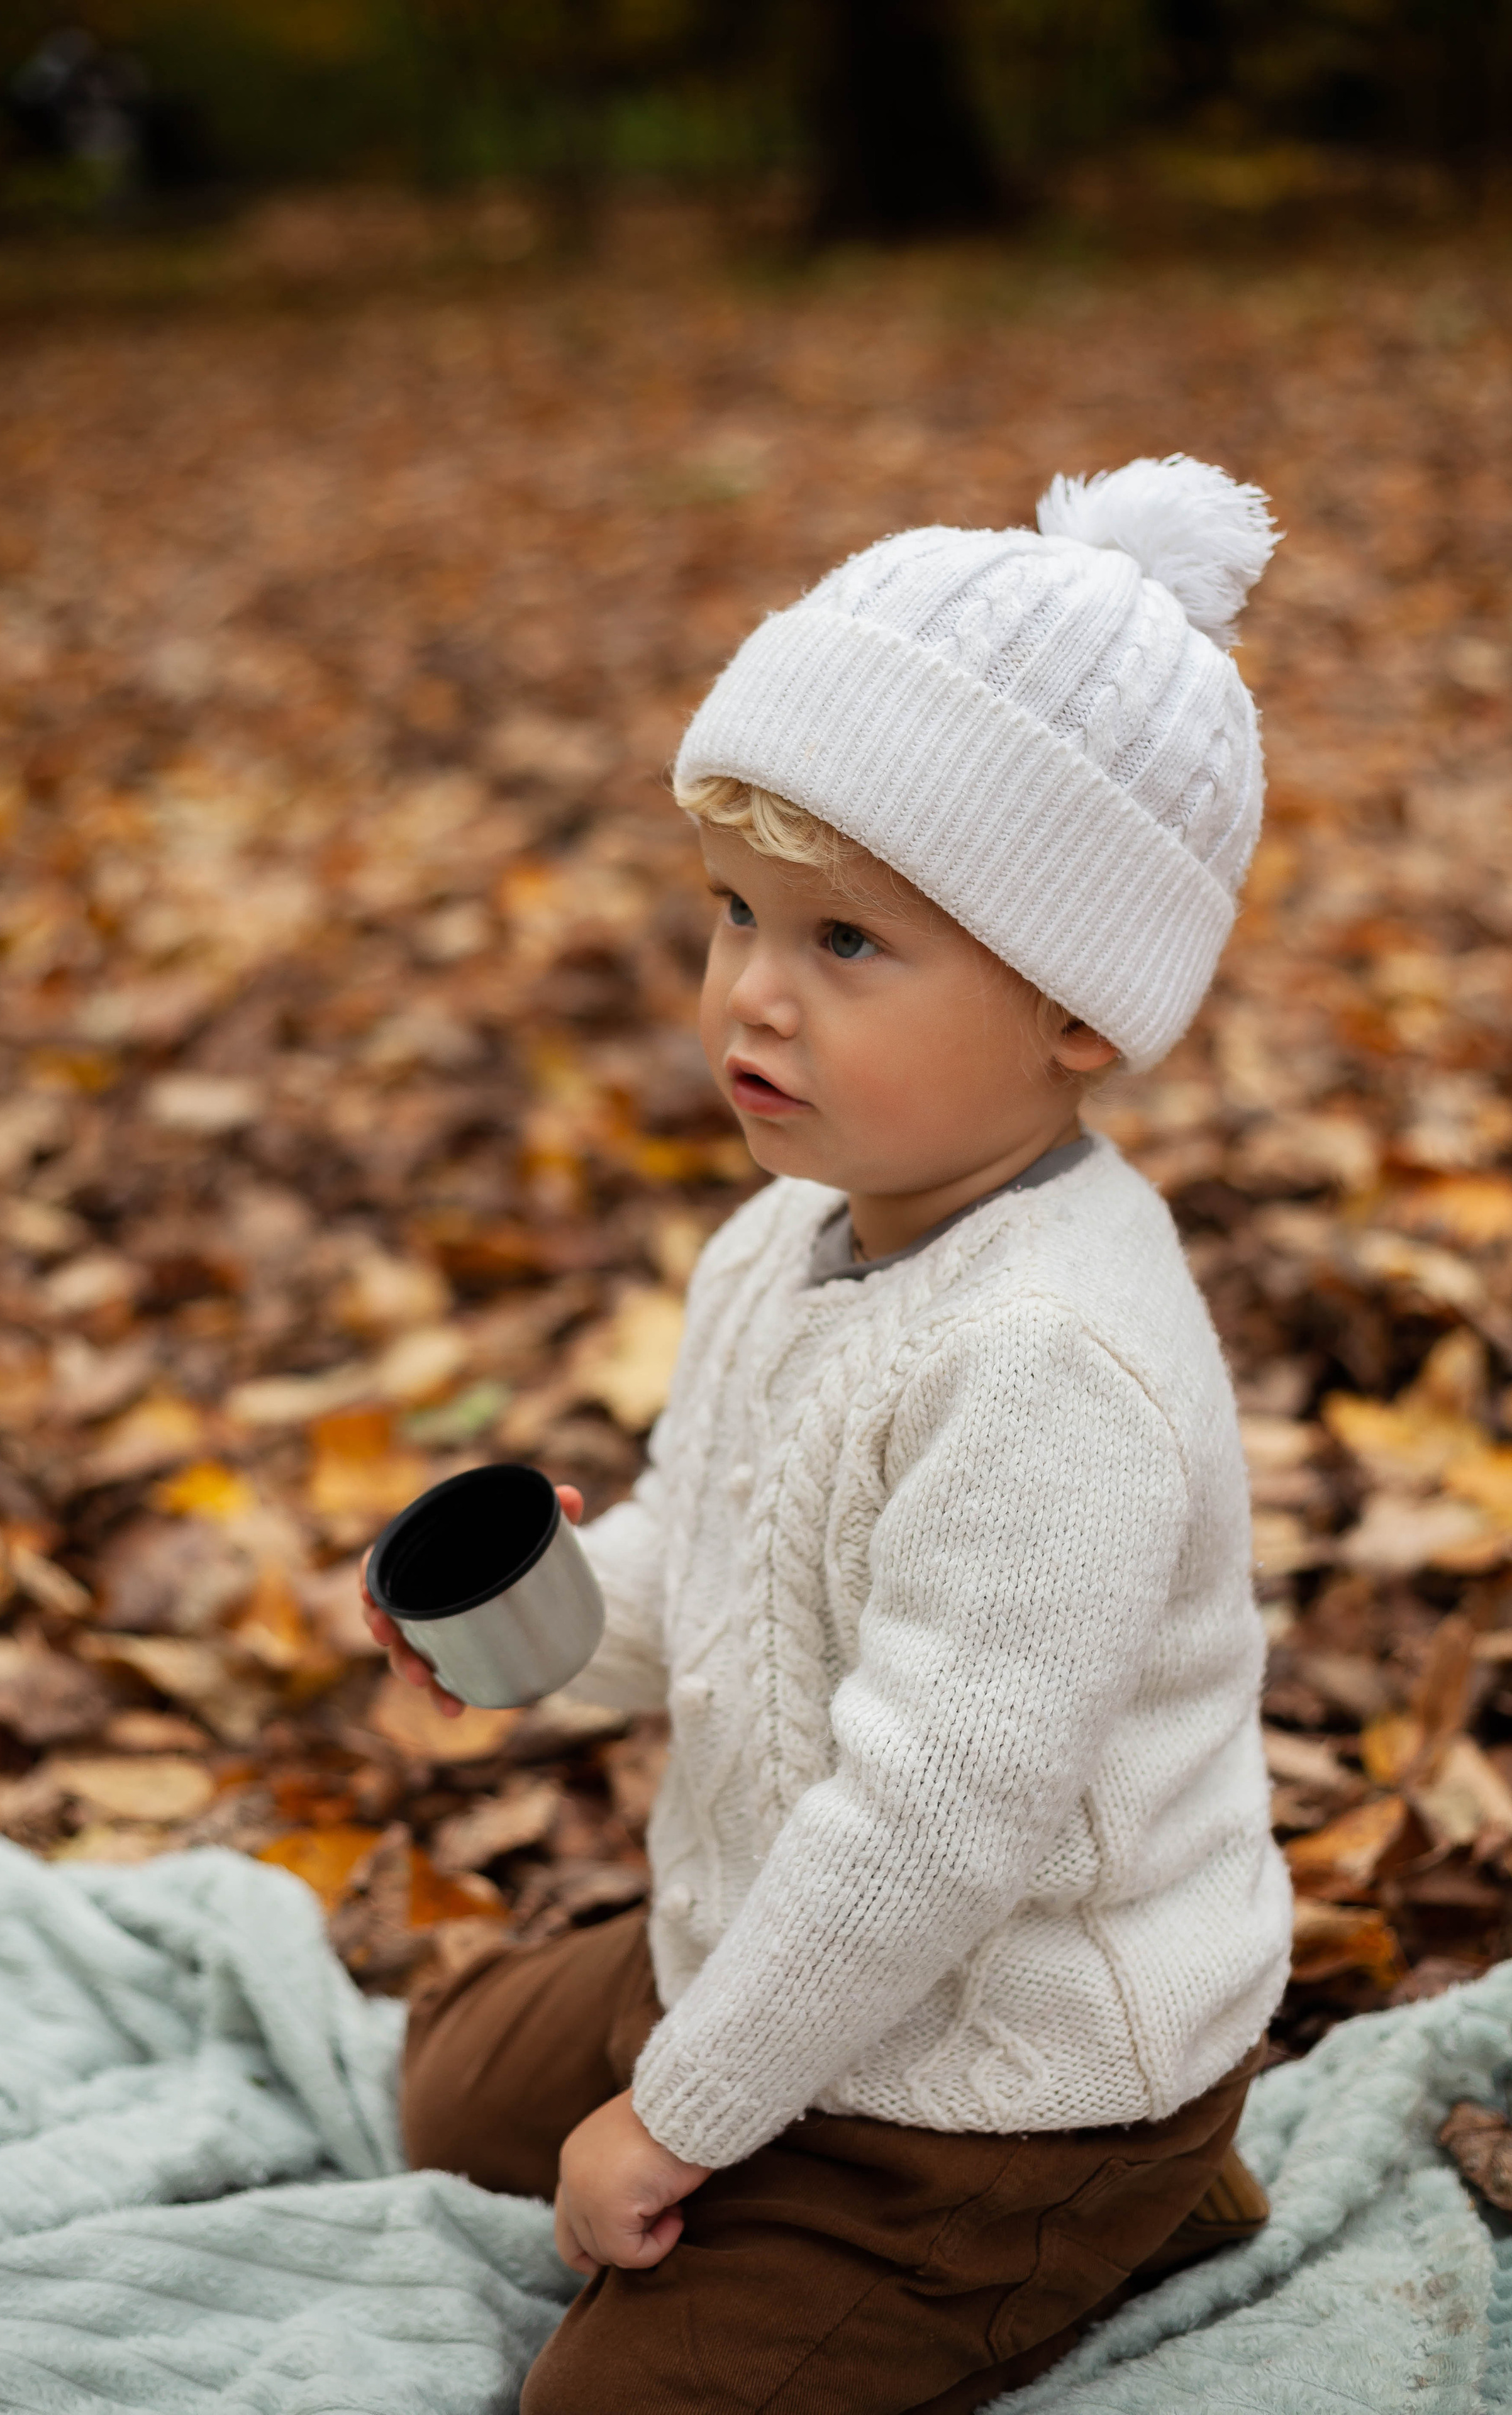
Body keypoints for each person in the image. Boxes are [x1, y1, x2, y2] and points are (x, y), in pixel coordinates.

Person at [365, 455, 1294, 2412]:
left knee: (599, 2401)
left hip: (1004, 2072)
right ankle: (753, 2075)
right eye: (733, 914)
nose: (749, 998)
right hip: (787, 1950)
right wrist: (519, 1629)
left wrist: (679, 2120)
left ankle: (1122, 2196)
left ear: (1080, 1013)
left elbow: (931, 1828)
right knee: (447, 2087)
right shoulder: (782, 1242)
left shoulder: (1054, 1362)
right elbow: (714, 1565)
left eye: (846, 944)